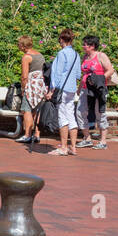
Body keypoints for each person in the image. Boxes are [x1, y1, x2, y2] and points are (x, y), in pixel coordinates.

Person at [77, 35, 118, 149]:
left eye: (85, 44)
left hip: (98, 89)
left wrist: (99, 79)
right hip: (86, 88)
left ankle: (103, 141)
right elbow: (84, 74)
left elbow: (110, 70)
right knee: (80, 112)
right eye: (84, 44)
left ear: (92, 46)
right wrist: (79, 88)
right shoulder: (85, 56)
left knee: (100, 113)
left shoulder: (101, 56)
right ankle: (87, 138)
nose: (83, 46)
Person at [46, 28, 82, 156]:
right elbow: (78, 74)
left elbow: (57, 74)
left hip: (62, 88)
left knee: (62, 117)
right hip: (72, 88)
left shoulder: (62, 54)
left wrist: (51, 90)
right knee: (71, 116)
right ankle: (73, 147)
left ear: (62, 39)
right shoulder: (77, 54)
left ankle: (63, 147)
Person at [16, 35, 47, 144]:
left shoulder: (26, 57)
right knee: (37, 111)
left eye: (19, 44)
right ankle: (37, 135)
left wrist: (24, 88)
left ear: (23, 46)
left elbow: (24, 76)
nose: (18, 46)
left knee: (26, 110)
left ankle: (27, 135)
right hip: (40, 85)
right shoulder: (40, 55)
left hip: (31, 85)